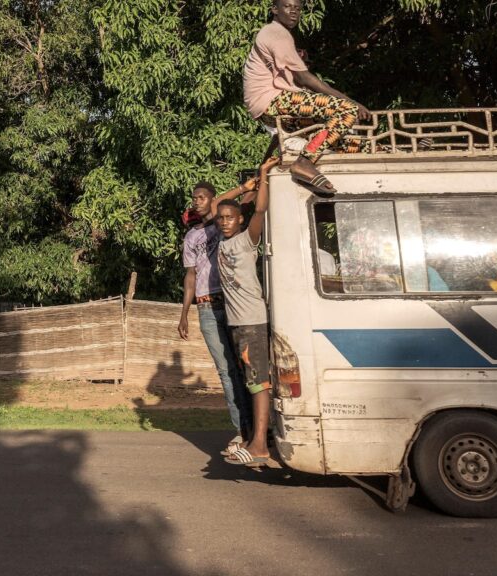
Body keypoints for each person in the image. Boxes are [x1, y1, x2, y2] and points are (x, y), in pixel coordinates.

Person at [243, 0, 371, 194]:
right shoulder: (276, 33)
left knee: (350, 143)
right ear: (274, 9)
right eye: (287, 6)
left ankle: (397, 151)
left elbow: (300, 83)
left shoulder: (276, 34)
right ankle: (304, 162)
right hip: (272, 101)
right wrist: (353, 102)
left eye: (297, 8)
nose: (294, 12)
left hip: (272, 107)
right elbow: (306, 78)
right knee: (346, 109)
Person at [178, 177, 258, 455]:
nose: (196, 201)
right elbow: (191, 276)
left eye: (201, 197)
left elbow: (228, 205)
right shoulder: (191, 237)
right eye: (194, 198)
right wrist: (184, 313)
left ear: (211, 199)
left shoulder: (220, 225)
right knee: (225, 370)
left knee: (246, 367)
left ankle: (259, 427)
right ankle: (241, 430)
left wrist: (245, 190)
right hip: (205, 307)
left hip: (231, 302)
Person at [217, 155, 281, 466]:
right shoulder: (221, 243)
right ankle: (257, 439)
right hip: (238, 322)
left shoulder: (246, 241)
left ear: (240, 220)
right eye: (222, 219)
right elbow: (217, 202)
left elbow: (260, 209)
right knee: (250, 381)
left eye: (230, 218)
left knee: (258, 382)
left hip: (252, 321)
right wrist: (245, 186)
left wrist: (264, 173)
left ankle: (259, 445)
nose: (225, 221)